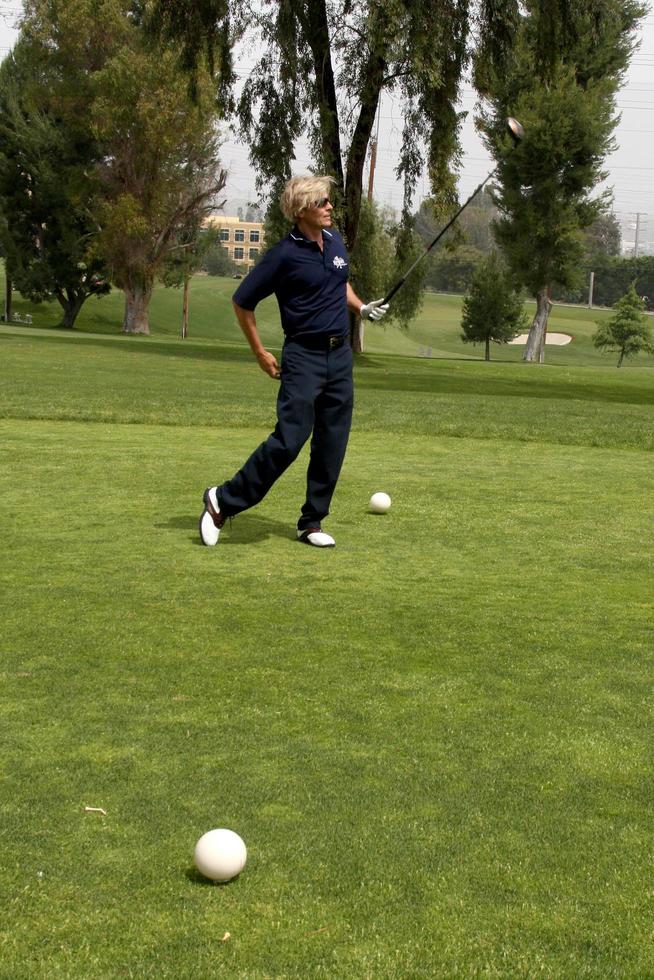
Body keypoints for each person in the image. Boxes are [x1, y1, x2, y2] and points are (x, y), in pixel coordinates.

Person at [199, 175, 388, 549]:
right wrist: (259, 352)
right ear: (302, 210)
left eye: (328, 201)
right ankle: (222, 500)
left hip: (340, 357)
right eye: (322, 202)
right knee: (289, 439)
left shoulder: (335, 242)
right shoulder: (283, 255)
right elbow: (243, 301)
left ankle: (311, 521)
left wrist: (361, 307)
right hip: (304, 355)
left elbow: (339, 282)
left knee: (333, 440)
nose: (330, 207)